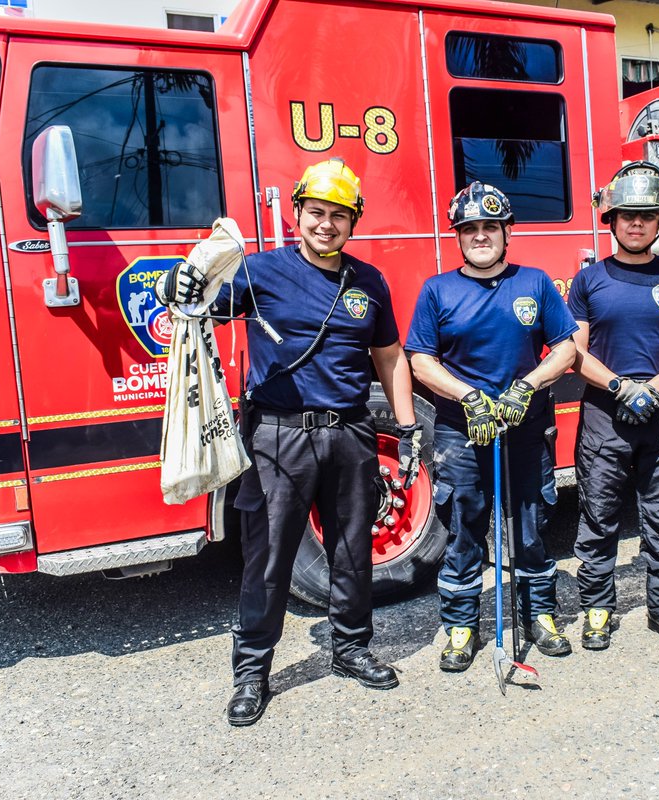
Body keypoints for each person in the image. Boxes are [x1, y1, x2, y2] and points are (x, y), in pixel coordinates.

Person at [158, 158, 420, 726]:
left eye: (339, 215)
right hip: (278, 436)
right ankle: (252, 673)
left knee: (352, 551)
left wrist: (407, 428)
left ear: (353, 223)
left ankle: (351, 648)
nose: (327, 224)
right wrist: (174, 282)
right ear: (297, 213)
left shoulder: (369, 282)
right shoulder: (258, 272)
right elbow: (195, 304)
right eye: (316, 212)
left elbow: (389, 356)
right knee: (269, 558)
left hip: (351, 433)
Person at [406, 182, 577, 672]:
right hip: (463, 432)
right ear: (458, 236)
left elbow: (566, 348)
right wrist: (469, 397)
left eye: (489, 227)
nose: (480, 236)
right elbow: (420, 360)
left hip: (525, 427)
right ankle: (462, 625)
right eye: (470, 229)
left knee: (529, 525)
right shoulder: (438, 290)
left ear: (507, 232)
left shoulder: (535, 283)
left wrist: (529, 385)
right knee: (464, 528)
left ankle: (539, 614)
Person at [568, 162, 659, 651]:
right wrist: (621, 387)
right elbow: (574, 352)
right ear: (611, 219)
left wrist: (653, 389)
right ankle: (597, 609)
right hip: (604, 416)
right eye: (627, 214)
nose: (636, 223)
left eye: (647, 215)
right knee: (598, 517)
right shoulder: (588, 281)